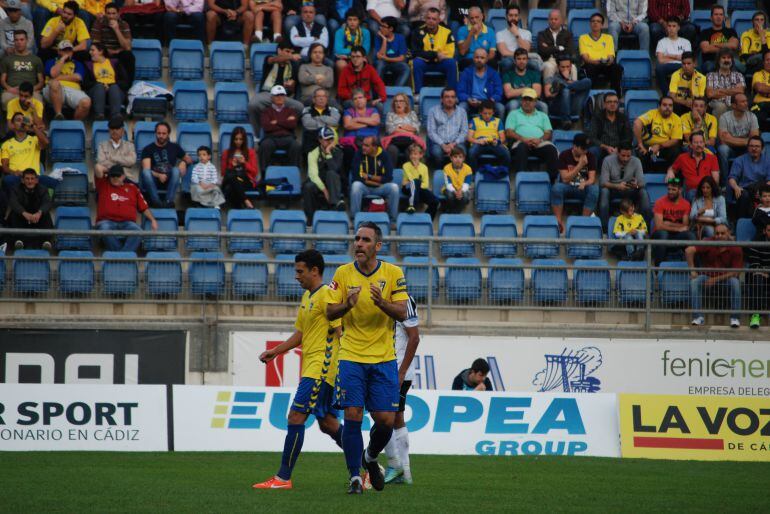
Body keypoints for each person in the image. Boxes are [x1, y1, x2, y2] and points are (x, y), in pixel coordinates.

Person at [326, 221, 408, 494]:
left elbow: (403, 313)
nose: (359, 244)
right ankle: (355, 477)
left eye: (365, 240)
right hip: (350, 356)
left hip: (384, 358)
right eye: (357, 239)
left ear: (378, 246)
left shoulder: (393, 273)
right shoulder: (342, 273)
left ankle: (370, 458)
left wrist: (381, 302)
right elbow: (329, 312)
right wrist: (345, 305)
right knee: (352, 414)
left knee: (385, 420)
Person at [251, 250, 344, 491]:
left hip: (321, 370)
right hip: (313, 368)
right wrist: (277, 351)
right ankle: (369, 464)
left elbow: (340, 331)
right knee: (328, 424)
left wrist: (347, 368)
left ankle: (283, 478)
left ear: (315, 271)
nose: (296, 276)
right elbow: (301, 334)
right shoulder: (307, 297)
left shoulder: (327, 295)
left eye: (300, 271)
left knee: (295, 417)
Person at [382, 294, 419, 486]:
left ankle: (399, 468)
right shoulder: (375, 297)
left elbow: (414, 338)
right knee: (394, 417)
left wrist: (402, 371)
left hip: (397, 371)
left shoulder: (404, 300)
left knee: (387, 417)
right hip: (381, 368)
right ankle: (405, 473)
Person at [686, 223, 743, 328]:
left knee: (735, 282)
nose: (719, 236)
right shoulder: (709, 241)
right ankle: (697, 317)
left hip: (726, 278)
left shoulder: (736, 247)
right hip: (707, 276)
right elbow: (689, 250)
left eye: (722, 233)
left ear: (728, 233)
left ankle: (735, 318)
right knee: (695, 282)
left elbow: (735, 272)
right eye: (717, 233)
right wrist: (692, 270)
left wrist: (715, 279)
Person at [95, 163, 158, 252]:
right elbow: (98, 167)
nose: (115, 178)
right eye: (113, 176)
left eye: (118, 175)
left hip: (127, 223)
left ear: (124, 176)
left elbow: (143, 207)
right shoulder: (103, 183)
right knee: (105, 229)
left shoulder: (133, 188)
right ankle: (123, 258)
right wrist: (110, 171)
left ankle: (120, 257)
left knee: (138, 231)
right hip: (107, 221)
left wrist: (152, 220)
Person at [505, 87, 559, 178]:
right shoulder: (513, 114)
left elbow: (548, 132)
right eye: (525, 99)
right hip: (520, 142)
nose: (527, 102)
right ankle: (520, 179)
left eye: (530, 100)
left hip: (539, 143)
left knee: (551, 150)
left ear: (535, 102)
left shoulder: (543, 115)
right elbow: (509, 132)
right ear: (521, 101)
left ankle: (551, 182)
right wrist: (523, 139)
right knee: (522, 147)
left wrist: (540, 140)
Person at [551, 133, 599, 232]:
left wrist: (585, 183)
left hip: (583, 188)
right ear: (575, 146)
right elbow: (565, 179)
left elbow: (592, 179)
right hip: (567, 186)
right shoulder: (564, 155)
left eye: (587, 148)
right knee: (556, 188)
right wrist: (579, 166)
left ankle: (583, 221)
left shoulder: (590, 156)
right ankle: (558, 222)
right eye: (583, 149)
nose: (585, 151)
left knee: (594, 189)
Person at [598, 142, 650, 230]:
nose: (625, 159)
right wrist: (617, 186)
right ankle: (604, 228)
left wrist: (636, 185)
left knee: (643, 192)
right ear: (617, 152)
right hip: (613, 190)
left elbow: (642, 184)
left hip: (630, 189)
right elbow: (603, 182)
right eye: (623, 155)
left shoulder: (636, 161)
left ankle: (646, 227)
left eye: (628, 156)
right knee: (604, 191)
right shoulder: (608, 160)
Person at [140, 121, 191, 209]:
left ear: (168, 134)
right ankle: (156, 202)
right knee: (145, 172)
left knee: (175, 170)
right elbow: (146, 170)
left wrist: (184, 162)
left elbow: (189, 159)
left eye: (164, 133)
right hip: (153, 180)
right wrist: (159, 175)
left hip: (170, 180)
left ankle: (168, 201)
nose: (161, 136)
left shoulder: (174, 147)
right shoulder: (148, 149)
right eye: (159, 133)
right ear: (155, 133)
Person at [350, 135, 399, 223]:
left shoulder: (384, 155)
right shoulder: (358, 154)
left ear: (375, 147)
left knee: (394, 188)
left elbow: (388, 178)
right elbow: (357, 177)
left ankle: (392, 221)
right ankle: (355, 219)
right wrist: (378, 182)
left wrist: (369, 177)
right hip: (365, 187)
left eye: (366, 146)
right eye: (363, 145)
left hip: (380, 188)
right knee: (355, 186)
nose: (363, 147)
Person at [1, 112, 53, 193]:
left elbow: (46, 143)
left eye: (23, 120)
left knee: (56, 183)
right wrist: (14, 172)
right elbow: (4, 167)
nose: (22, 122)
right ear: (13, 125)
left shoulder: (35, 139)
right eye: (18, 120)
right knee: (7, 180)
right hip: (18, 177)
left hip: (34, 177)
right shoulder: (6, 144)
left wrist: (33, 126)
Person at [410, 7, 457, 93]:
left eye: (434, 19)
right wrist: (435, 55)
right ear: (425, 19)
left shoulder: (447, 32)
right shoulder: (417, 32)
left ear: (439, 20)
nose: (431, 21)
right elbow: (415, 52)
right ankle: (417, 93)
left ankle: (452, 93)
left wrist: (433, 56)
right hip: (425, 63)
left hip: (441, 62)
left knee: (452, 63)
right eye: (428, 18)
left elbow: (450, 52)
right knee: (416, 62)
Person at [302, 126, 345, 221]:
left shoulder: (338, 152)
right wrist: (324, 190)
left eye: (331, 139)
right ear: (320, 140)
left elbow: (335, 169)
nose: (329, 141)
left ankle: (334, 208)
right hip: (318, 182)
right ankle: (311, 218)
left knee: (331, 173)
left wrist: (328, 153)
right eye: (326, 139)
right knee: (308, 187)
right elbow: (313, 175)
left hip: (333, 182)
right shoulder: (313, 153)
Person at [42, 40, 91, 121]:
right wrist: (62, 59)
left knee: (86, 102)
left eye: (69, 50)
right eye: (64, 50)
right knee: (55, 84)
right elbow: (53, 73)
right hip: (52, 91)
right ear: (58, 51)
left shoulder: (77, 63)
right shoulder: (51, 62)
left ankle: (73, 125)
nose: (67, 53)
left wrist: (58, 78)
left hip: (72, 90)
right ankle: (58, 115)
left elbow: (78, 77)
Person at [253, 41, 304, 116]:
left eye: (291, 52)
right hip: (268, 94)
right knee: (253, 104)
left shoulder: (293, 66)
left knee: (300, 107)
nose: (289, 54)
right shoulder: (270, 59)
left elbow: (292, 90)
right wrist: (292, 57)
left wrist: (291, 86)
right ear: (279, 50)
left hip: (284, 97)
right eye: (287, 51)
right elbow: (274, 60)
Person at [6, 168, 53, 250]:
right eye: (27, 179)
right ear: (22, 180)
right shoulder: (15, 189)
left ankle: (46, 241)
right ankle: (18, 241)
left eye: (32, 179)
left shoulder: (43, 189)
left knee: (46, 214)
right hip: (22, 217)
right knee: (14, 214)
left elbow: (47, 202)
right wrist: (24, 213)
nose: (30, 181)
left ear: (36, 180)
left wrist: (39, 213)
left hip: (37, 218)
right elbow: (13, 203)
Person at [633, 96, 682, 171]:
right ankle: (643, 179)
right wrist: (640, 144)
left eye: (670, 105)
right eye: (664, 105)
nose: (667, 107)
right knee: (640, 153)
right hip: (648, 147)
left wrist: (659, 146)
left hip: (664, 148)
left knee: (676, 151)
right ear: (659, 106)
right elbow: (637, 123)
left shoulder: (677, 119)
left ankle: (671, 175)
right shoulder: (652, 113)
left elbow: (675, 140)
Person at [651, 176, 694, 264]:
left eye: (673, 190)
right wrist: (678, 228)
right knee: (663, 234)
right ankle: (657, 269)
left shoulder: (686, 204)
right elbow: (659, 226)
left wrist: (667, 223)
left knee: (691, 236)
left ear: (680, 190)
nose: (670, 192)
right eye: (669, 189)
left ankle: (694, 269)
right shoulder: (660, 202)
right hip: (659, 234)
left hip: (677, 235)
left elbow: (685, 226)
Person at [667, 132, 720, 201]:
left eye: (701, 142)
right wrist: (670, 171)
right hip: (691, 192)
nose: (699, 145)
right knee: (693, 193)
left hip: (707, 191)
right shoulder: (682, 158)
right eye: (696, 142)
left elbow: (716, 180)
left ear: (704, 144)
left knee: (720, 198)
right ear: (690, 145)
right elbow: (672, 168)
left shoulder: (712, 158)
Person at [260, 84, 302, 172]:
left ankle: (294, 174)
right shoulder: (266, 111)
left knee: (296, 146)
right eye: (277, 95)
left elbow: (293, 124)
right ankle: (264, 176)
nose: (279, 97)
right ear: (272, 97)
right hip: (271, 138)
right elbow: (267, 127)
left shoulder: (291, 110)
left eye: (282, 95)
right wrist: (285, 121)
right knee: (264, 146)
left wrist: (276, 122)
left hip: (287, 137)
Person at [579, 12, 623, 96]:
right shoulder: (583, 38)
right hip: (591, 64)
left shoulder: (608, 38)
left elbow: (611, 56)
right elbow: (585, 58)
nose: (595, 23)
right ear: (590, 24)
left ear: (602, 25)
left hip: (605, 64)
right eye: (593, 21)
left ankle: (615, 95)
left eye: (598, 21)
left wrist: (608, 61)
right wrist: (597, 62)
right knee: (590, 68)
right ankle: (591, 96)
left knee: (617, 68)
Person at [718, 93, 759, 179]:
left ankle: (753, 179)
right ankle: (725, 181)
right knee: (722, 149)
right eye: (742, 102)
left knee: (757, 147)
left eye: (746, 101)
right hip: (731, 149)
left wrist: (731, 139)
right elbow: (723, 140)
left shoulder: (752, 117)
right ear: (733, 105)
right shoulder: (724, 117)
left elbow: (755, 140)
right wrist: (746, 141)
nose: (746, 103)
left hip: (746, 148)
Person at [728, 136, 770, 219]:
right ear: (747, 147)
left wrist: (762, 192)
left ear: (762, 148)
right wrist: (736, 187)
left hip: (762, 188)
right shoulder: (739, 160)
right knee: (743, 195)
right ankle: (740, 222)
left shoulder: (768, 161)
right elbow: (732, 178)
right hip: (745, 189)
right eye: (751, 146)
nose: (754, 149)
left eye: (757, 146)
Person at [545, 55, 591, 130]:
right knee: (565, 91)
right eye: (563, 67)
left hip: (573, 106)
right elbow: (548, 94)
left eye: (568, 67)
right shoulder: (552, 78)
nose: (565, 69)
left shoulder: (573, 80)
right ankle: (565, 120)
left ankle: (565, 86)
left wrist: (566, 81)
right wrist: (557, 91)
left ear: (571, 67)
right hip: (557, 107)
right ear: (558, 67)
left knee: (587, 81)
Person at [0, 29, 44, 109]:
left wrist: (32, 89)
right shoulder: (7, 59)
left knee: (38, 100)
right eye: (16, 40)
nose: (19, 42)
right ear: (14, 42)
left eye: (22, 39)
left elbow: (41, 81)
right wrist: (9, 88)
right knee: (5, 99)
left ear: (27, 40)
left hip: (31, 91)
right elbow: (2, 80)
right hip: (12, 91)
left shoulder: (36, 59)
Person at [457, 48, 504, 120]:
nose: (479, 60)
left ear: (487, 59)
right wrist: (468, 99)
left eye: (482, 58)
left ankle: (500, 130)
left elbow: (499, 92)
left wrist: (491, 100)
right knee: (462, 106)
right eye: (477, 57)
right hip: (471, 102)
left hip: (488, 102)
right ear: (473, 58)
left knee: (500, 108)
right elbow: (460, 91)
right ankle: (464, 130)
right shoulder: (466, 72)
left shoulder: (493, 74)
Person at [85, 41, 128, 120]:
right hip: (96, 92)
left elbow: (125, 82)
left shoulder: (115, 62)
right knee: (99, 87)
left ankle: (116, 115)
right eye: (90, 50)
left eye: (92, 50)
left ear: (101, 51)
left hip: (115, 92)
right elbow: (86, 83)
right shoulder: (89, 65)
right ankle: (99, 115)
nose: (90, 52)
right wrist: (100, 84)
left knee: (114, 87)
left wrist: (110, 85)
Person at [587, 92, 632, 169]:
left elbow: (628, 136)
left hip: (619, 148)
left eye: (615, 102)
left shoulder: (623, 118)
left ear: (618, 104)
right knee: (592, 151)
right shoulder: (597, 117)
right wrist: (606, 147)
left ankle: (627, 175)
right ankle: (592, 175)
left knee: (630, 152)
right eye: (609, 102)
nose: (612, 104)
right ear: (604, 104)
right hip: (602, 148)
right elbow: (592, 137)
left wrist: (618, 149)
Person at [426, 87, 467, 168]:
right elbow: (431, 131)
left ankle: (458, 174)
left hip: (456, 143)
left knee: (461, 152)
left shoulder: (462, 112)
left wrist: (453, 144)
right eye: (447, 97)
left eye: (452, 97)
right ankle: (440, 174)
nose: (450, 99)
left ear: (455, 99)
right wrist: (443, 145)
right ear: (442, 99)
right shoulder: (433, 111)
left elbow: (464, 132)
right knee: (436, 153)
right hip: (439, 143)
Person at [221, 125, 259, 209]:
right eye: (236, 139)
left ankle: (237, 210)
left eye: (241, 139)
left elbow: (254, 172)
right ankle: (245, 201)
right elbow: (224, 173)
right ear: (232, 140)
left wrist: (244, 163)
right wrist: (232, 166)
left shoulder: (250, 152)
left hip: (245, 180)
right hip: (231, 178)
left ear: (244, 140)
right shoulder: (226, 153)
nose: (238, 141)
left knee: (230, 188)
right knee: (232, 178)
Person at [382, 92, 423, 167]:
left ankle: (412, 175)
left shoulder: (412, 114)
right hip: (394, 141)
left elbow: (416, 129)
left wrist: (399, 127)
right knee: (392, 150)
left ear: (406, 103)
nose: (398, 103)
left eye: (401, 101)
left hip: (409, 141)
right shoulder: (390, 114)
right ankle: (390, 174)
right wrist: (408, 130)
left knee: (411, 150)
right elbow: (390, 130)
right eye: (396, 101)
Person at [497, 3, 541, 73]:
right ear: (506, 17)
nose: (513, 18)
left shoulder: (527, 33)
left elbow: (526, 50)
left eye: (516, 15)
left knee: (535, 65)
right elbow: (504, 52)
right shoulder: (500, 34)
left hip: (524, 59)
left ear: (519, 17)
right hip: (508, 59)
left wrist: (517, 34)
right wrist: (519, 56)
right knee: (507, 63)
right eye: (511, 15)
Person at [466, 99, 509, 169]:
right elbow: (469, 138)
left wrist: (498, 142)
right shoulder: (474, 120)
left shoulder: (498, 121)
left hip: (494, 142)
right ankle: (474, 174)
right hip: (479, 142)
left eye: (490, 113)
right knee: (471, 152)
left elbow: (503, 138)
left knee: (506, 153)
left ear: (493, 112)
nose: (487, 116)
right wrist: (478, 141)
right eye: (485, 113)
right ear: (480, 112)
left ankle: (502, 173)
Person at [502, 48, 547, 114]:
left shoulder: (534, 74)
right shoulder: (508, 75)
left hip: (531, 101)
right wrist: (527, 89)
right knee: (513, 105)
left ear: (527, 60)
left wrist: (516, 91)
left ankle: (543, 124)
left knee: (543, 106)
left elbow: (537, 93)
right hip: (516, 101)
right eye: (519, 59)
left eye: (524, 59)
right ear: (514, 61)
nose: (521, 61)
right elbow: (508, 94)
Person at [706, 48, 746, 120]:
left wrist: (720, 90)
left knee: (741, 105)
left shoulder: (738, 75)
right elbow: (710, 94)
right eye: (723, 58)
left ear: (732, 60)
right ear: (718, 60)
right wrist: (732, 91)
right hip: (717, 103)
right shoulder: (710, 75)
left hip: (734, 102)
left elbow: (740, 91)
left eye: (729, 58)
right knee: (721, 107)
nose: (726, 60)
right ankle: (718, 131)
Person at [536, 9, 575, 81]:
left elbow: (569, 51)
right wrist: (558, 48)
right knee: (548, 67)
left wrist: (549, 48)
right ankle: (548, 90)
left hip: (563, 61)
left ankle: (573, 89)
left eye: (556, 19)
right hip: (548, 60)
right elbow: (542, 51)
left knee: (573, 67)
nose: (553, 21)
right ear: (548, 20)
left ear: (561, 21)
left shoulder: (568, 34)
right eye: (551, 19)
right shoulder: (542, 34)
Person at [654, 17, 691, 94]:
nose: (671, 28)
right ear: (666, 27)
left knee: (696, 69)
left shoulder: (685, 42)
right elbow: (660, 60)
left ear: (678, 28)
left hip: (682, 66)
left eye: (674, 26)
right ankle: (667, 94)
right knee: (659, 69)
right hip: (667, 67)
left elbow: (687, 59)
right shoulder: (662, 42)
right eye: (669, 26)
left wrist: (667, 56)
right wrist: (677, 57)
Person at [698, 5, 738, 74]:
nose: (718, 17)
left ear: (724, 18)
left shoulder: (731, 31)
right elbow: (706, 49)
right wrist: (726, 46)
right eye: (716, 14)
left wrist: (715, 45)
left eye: (721, 14)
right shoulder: (704, 32)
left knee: (735, 66)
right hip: (711, 61)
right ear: (711, 18)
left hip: (728, 60)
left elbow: (734, 46)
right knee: (709, 66)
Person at [95, 115, 136, 182]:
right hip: (110, 177)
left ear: (122, 131)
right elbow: (101, 162)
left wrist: (113, 158)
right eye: (112, 129)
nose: (114, 131)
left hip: (126, 178)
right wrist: (121, 163)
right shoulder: (102, 145)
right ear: (109, 130)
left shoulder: (130, 145)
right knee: (98, 166)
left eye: (117, 129)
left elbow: (131, 161)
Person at [402, 143, 438, 217]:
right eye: (411, 154)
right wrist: (415, 168)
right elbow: (411, 179)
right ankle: (412, 205)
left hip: (419, 190)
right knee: (416, 181)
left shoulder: (424, 167)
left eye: (415, 154)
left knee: (435, 201)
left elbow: (426, 184)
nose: (413, 156)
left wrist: (417, 184)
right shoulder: (406, 165)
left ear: (420, 155)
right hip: (407, 188)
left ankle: (427, 219)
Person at [300, 87, 340, 154]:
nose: (321, 98)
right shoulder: (307, 110)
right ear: (313, 99)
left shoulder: (333, 110)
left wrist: (318, 119)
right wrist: (326, 124)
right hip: (312, 139)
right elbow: (307, 124)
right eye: (318, 96)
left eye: (323, 96)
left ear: (327, 99)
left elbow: (334, 122)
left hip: (329, 140)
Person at [746, 220, 770, 329]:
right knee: (757, 280)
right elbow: (754, 263)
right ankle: (755, 315)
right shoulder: (756, 241)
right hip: (759, 274)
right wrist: (763, 271)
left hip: (766, 273)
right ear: (765, 231)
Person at [456, 6, 496, 70]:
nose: (474, 20)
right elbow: (462, 52)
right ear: (468, 19)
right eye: (472, 18)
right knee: (465, 63)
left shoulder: (490, 31)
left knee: (493, 63)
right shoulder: (462, 30)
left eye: (477, 17)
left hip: (485, 60)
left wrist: (483, 61)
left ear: (482, 16)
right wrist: (471, 33)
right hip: (469, 60)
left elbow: (492, 53)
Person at [374, 16, 409, 88]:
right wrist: (384, 40)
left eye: (384, 26)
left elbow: (401, 58)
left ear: (391, 29)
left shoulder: (400, 38)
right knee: (379, 64)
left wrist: (386, 58)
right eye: (380, 26)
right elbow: (380, 56)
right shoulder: (378, 37)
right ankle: (379, 91)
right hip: (383, 63)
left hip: (395, 64)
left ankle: (396, 91)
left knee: (405, 67)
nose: (380, 28)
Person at [689, 175, 726, 240]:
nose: (705, 190)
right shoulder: (697, 199)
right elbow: (691, 216)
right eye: (703, 187)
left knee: (713, 230)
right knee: (709, 230)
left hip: (716, 225)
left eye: (708, 188)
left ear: (712, 188)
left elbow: (723, 218)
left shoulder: (720, 199)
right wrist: (698, 213)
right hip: (700, 227)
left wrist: (711, 220)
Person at [669, 52, 706, 116]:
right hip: (680, 104)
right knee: (674, 105)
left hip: (694, 104)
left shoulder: (702, 78)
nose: (686, 66)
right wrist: (685, 102)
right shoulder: (675, 75)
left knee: (700, 107)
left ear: (695, 64)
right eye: (683, 64)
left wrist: (694, 103)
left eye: (689, 64)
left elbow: (701, 98)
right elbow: (672, 97)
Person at [442, 145, 472, 214]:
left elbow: (467, 183)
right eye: (455, 157)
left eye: (460, 157)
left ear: (463, 158)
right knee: (450, 196)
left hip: (462, 189)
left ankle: (454, 213)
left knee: (465, 197)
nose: (458, 159)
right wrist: (455, 191)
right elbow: (448, 184)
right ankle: (452, 211)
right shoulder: (446, 168)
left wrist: (461, 191)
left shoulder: (468, 169)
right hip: (450, 189)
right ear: (451, 158)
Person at [740, 11, 770, 75]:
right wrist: (758, 54)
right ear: (753, 22)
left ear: (764, 22)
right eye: (757, 20)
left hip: (765, 63)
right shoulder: (746, 34)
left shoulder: (768, 35)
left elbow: (767, 55)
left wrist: (762, 36)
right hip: (749, 62)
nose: (759, 22)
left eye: (762, 20)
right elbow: (744, 56)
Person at [751, 50, 770, 130]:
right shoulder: (758, 74)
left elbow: (764, 89)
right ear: (763, 62)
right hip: (760, 105)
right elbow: (760, 88)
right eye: (767, 60)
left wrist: (766, 92)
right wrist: (763, 90)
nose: (769, 62)